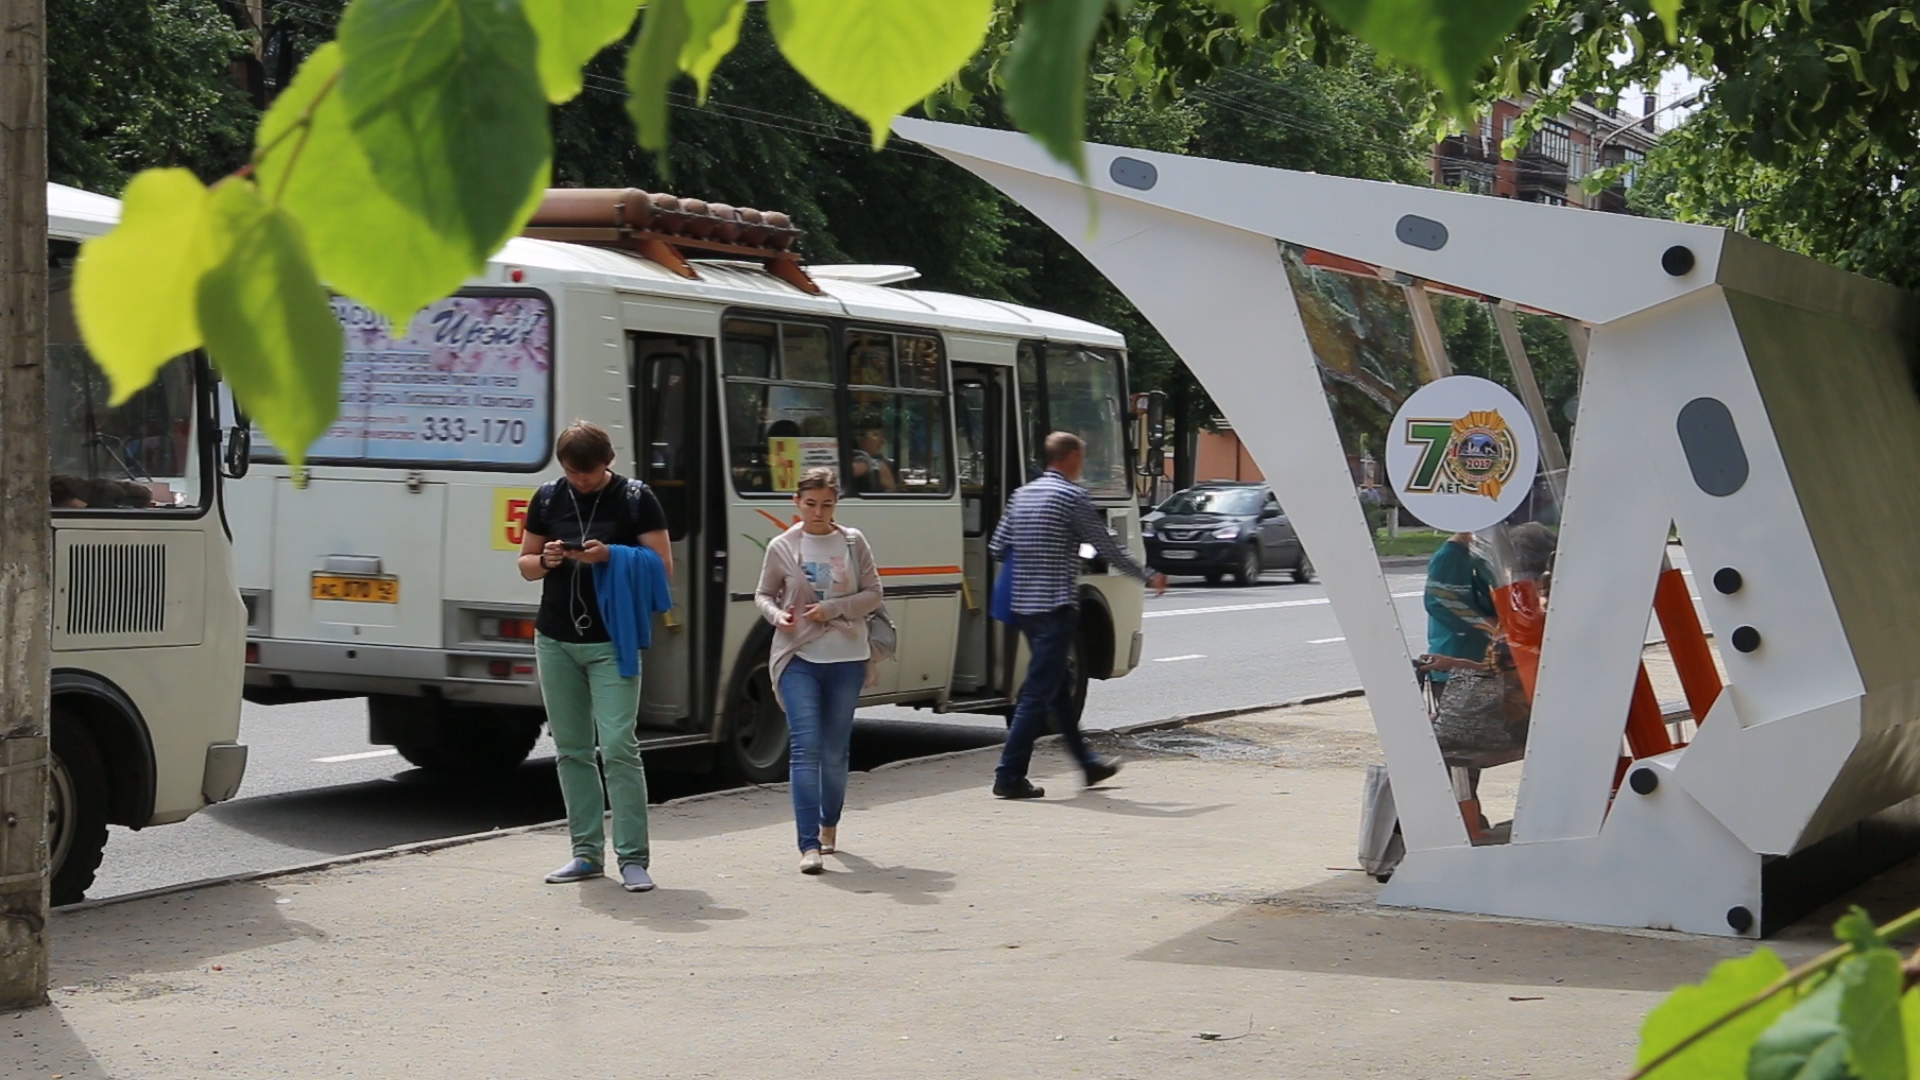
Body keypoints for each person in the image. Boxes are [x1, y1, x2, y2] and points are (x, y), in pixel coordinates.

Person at [517, 420, 673, 892]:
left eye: (588, 473)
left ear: (607, 463)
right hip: (556, 638)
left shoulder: (635, 498)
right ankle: (585, 854)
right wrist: (546, 560)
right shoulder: (547, 497)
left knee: (619, 746)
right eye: (571, 472)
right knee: (571, 750)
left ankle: (633, 858)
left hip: (611, 642)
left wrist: (609, 556)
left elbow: (662, 567)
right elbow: (524, 564)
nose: (580, 481)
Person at [989, 431, 1168, 799]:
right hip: (1055, 607)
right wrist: (1148, 575)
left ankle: (1087, 764)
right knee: (1037, 694)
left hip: (1024, 607)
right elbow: (1108, 547)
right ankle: (1008, 776)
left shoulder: (1022, 495)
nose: (1082, 465)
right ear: (1069, 457)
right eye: (1081, 457)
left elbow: (997, 546)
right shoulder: (1072, 497)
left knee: (1057, 689)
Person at [754, 468, 884, 874]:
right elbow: (763, 594)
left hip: (846, 658)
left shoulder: (852, 541)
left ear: (836, 504)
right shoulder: (782, 546)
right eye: (810, 504)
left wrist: (832, 608)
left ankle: (830, 826)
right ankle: (808, 844)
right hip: (798, 657)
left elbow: (874, 594)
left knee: (834, 750)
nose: (818, 512)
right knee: (805, 748)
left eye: (827, 504)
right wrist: (777, 616)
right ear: (797, 503)